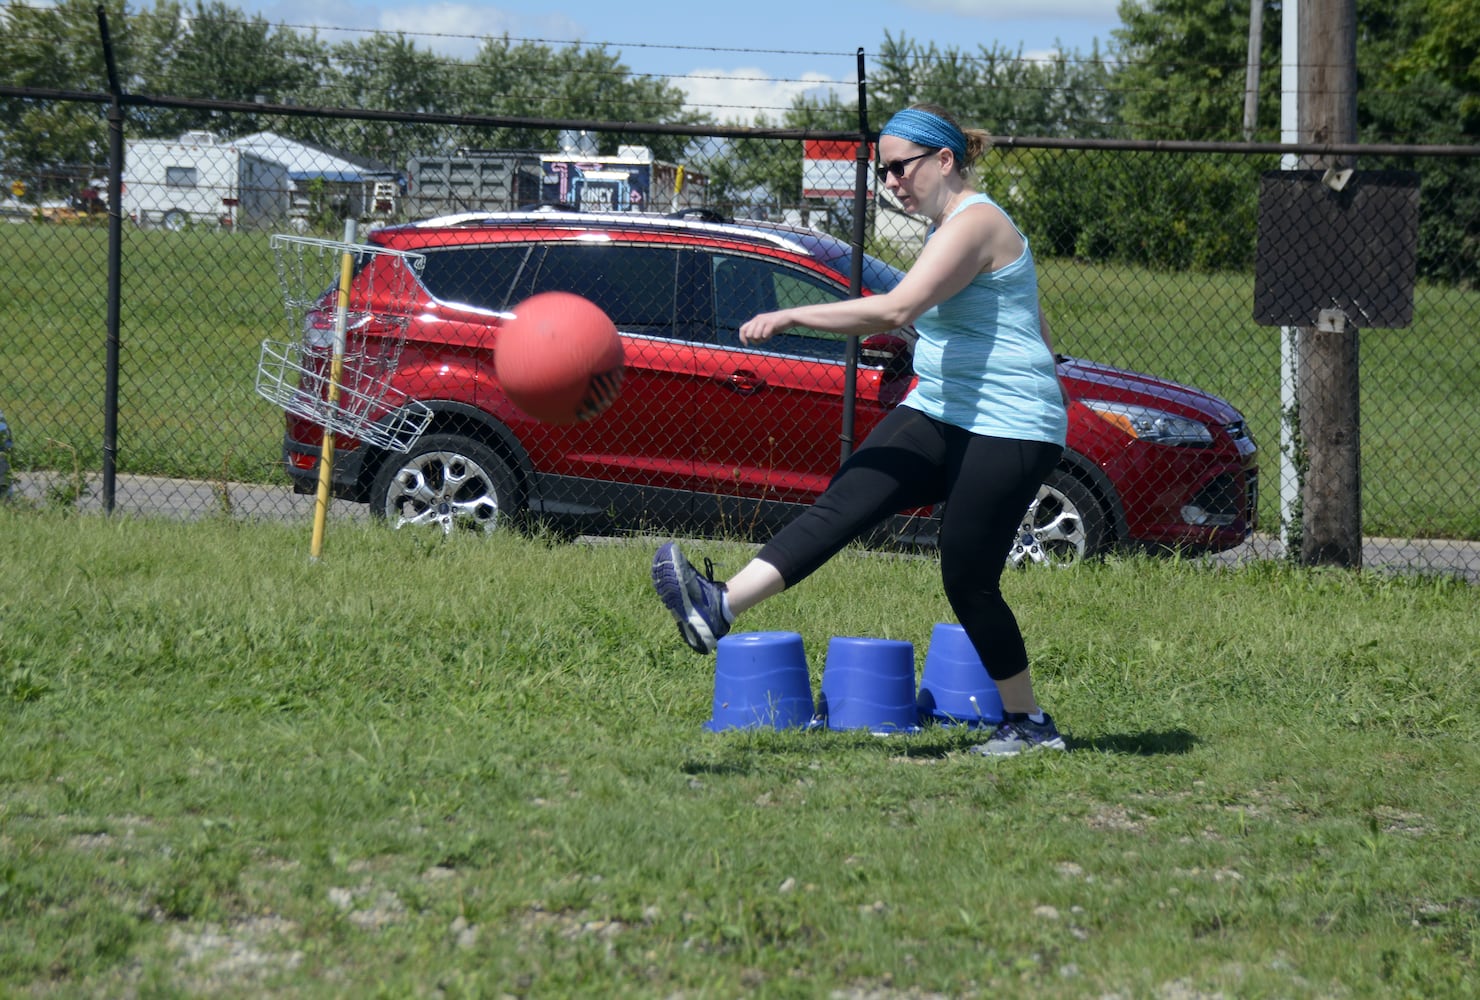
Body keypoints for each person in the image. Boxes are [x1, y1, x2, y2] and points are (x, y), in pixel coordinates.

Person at [651, 103, 1070, 756]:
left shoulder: (977, 221)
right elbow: (1031, 323)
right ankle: (719, 606)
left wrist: (791, 315)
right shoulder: (947, 235)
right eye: (883, 173)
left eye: (900, 168)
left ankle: (1029, 724)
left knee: (966, 576)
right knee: (850, 495)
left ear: (944, 160)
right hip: (946, 407)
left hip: (1011, 423)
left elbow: (898, 306)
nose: (892, 183)